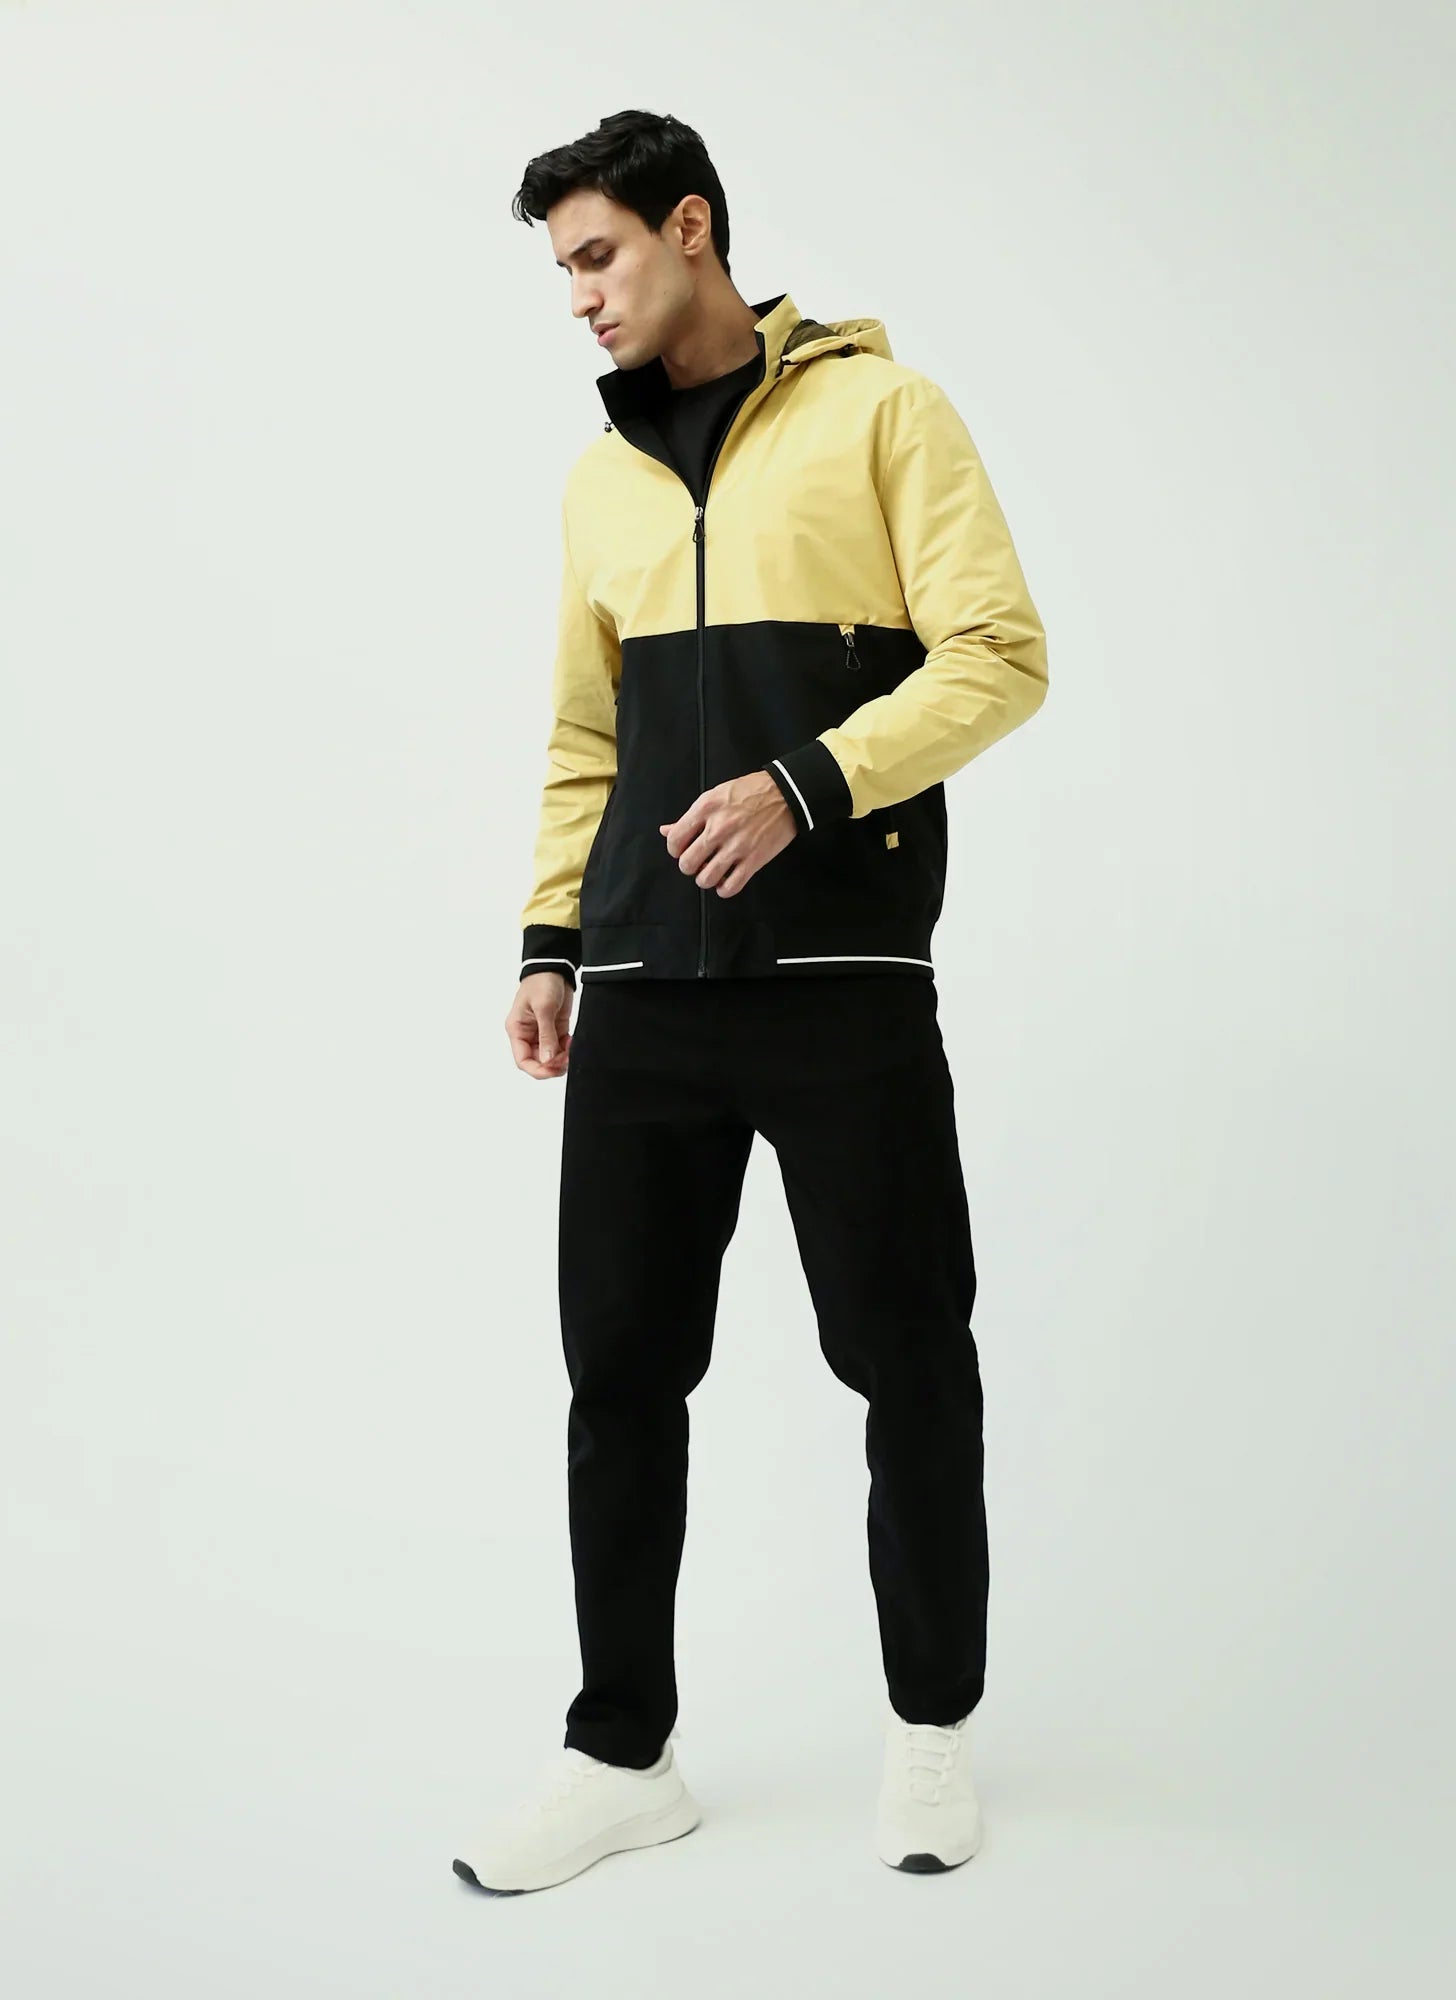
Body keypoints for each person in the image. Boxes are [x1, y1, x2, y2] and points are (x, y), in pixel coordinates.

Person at [452, 108, 1048, 1897]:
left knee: (907, 1356)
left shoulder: (884, 415)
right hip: (645, 989)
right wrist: (551, 943)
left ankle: (931, 1731)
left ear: (691, 226)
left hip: (842, 982)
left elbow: (1000, 656)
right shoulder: (602, 482)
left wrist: (808, 783)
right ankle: (619, 1754)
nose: (579, 296)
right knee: (619, 1378)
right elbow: (587, 736)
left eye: (598, 255)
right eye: (562, 269)